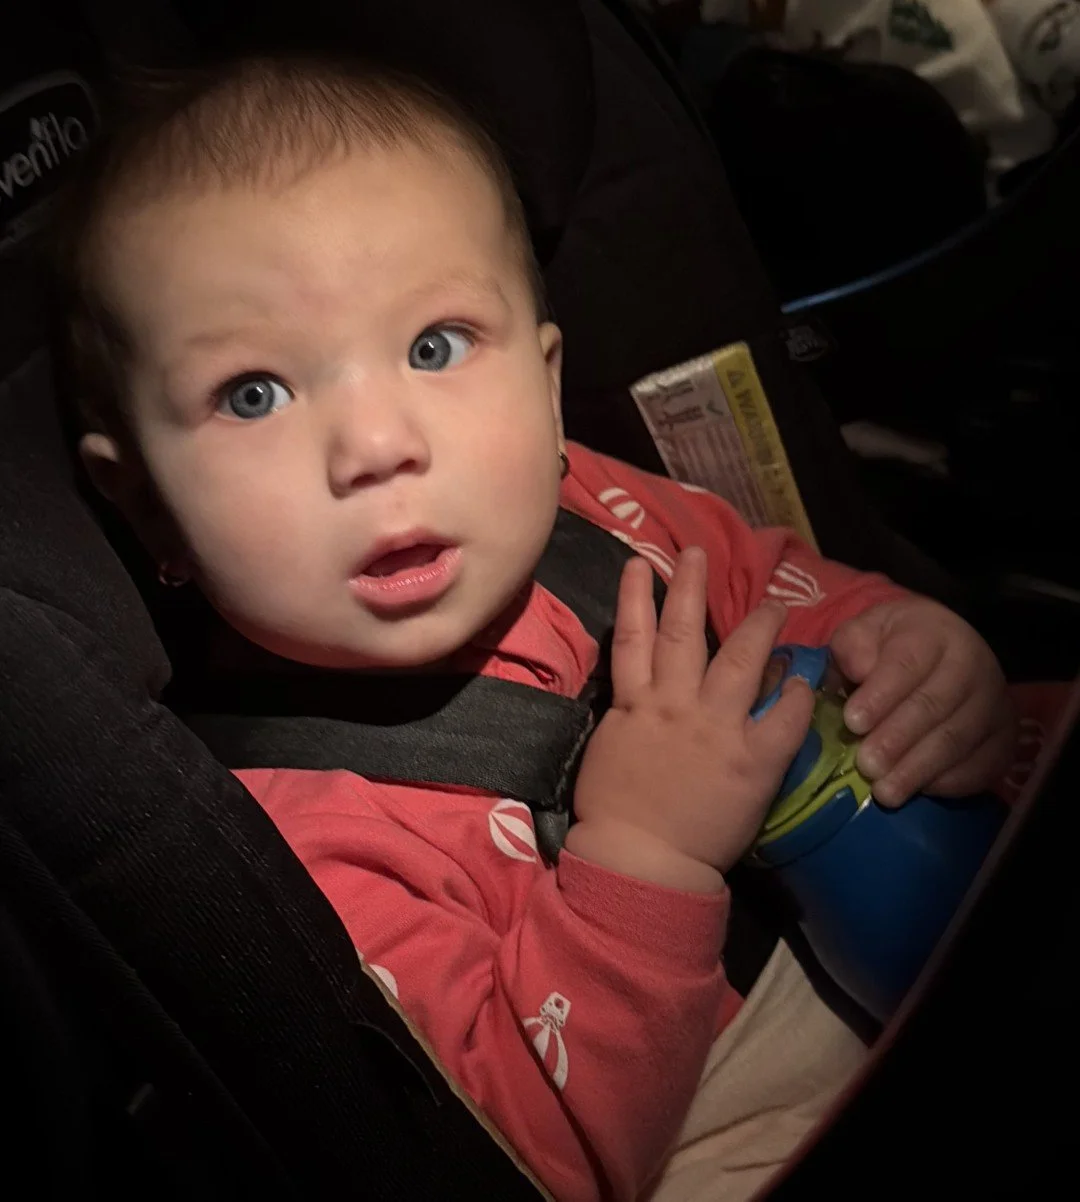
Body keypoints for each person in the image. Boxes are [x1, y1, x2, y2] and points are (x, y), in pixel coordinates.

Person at [57, 55, 1020, 1201]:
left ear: (548, 382)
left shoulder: (596, 508)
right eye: (253, 392)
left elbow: (787, 587)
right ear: (146, 502)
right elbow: (531, 1160)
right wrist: (645, 851)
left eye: (435, 345)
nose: (377, 446)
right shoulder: (297, 845)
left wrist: (910, 653)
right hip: (724, 1137)